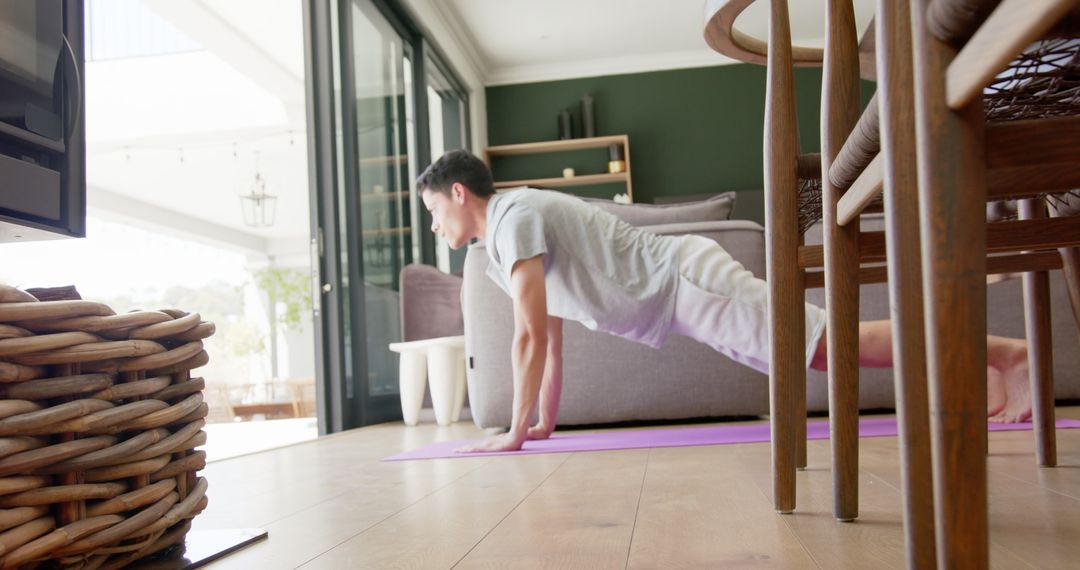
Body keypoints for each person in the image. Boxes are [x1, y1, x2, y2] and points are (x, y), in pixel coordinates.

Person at [416, 150, 1032, 453]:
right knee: (820, 351)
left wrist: (516, 433)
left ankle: (1006, 354)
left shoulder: (513, 216)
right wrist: (543, 421)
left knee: (824, 347)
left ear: (459, 192)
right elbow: (547, 334)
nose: (434, 225)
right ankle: (991, 362)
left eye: (433, 210)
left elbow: (528, 335)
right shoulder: (498, 252)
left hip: (688, 282)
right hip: (682, 296)